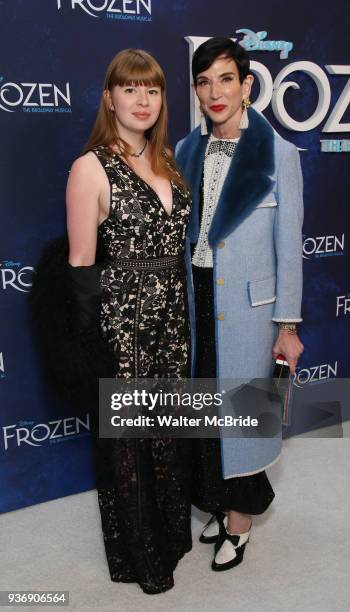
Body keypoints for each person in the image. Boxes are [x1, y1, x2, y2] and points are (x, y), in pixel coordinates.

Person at [34, 49, 192, 595]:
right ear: (110, 98)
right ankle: (140, 557)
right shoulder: (90, 167)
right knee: (127, 445)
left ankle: (170, 538)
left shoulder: (168, 160)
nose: (142, 100)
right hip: (120, 326)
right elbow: (80, 266)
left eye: (152, 90)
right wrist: (89, 348)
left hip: (172, 320)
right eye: (130, 89)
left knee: (167, 432)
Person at [176, 37, 304, 572]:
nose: (215, 92)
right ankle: (218, 500)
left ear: (247, 85)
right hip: (197, 300)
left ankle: (241, 521)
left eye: (226, 79)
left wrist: (288, 324)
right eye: (204, 81)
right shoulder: (184, 150)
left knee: (245, 418)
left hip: (252, 311)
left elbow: (290, 244)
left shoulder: (278, 152)